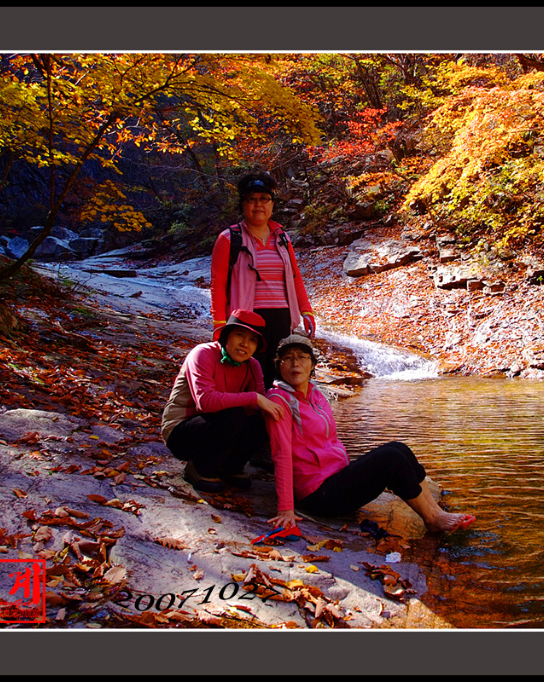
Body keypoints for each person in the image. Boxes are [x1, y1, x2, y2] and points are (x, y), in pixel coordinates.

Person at [262, 334, 475, 533]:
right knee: (390, 459)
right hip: (319, 494)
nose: (295, 363)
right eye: (287, 358)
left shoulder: (316, 394)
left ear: (313, 365)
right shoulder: (279, 401)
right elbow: (281, 454)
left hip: (337, 476)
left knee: (399, 448)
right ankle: (431, 518)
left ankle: (436, 512)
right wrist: (285, 509)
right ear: (279, 366)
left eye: (301, 357)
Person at [210, 171, 316, 390]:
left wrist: (307, 311)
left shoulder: (283, 238)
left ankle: (278, 418)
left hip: (282, 317)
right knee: (248, 374)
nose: (258, 205)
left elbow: (295, 278)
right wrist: (219, 325)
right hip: (247, 319)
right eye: (252, 199)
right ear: (243, 204)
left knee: (279, 377)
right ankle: (249, 417)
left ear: (272, 204)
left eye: (264, 199)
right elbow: (218, 284)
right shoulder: (228, 238)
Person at [161, 309, 287, 493]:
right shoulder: (202, 354)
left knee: (263, 419)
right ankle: (198, 467)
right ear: (226, 336)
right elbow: (205, 401)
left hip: (219, 426)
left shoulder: (252, 365)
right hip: (182, 430)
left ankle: (231, 466)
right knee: (233, 414)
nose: (245, 344)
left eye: (253, 340)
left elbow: (258, 407)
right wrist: (254, 398)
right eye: (240, 335)